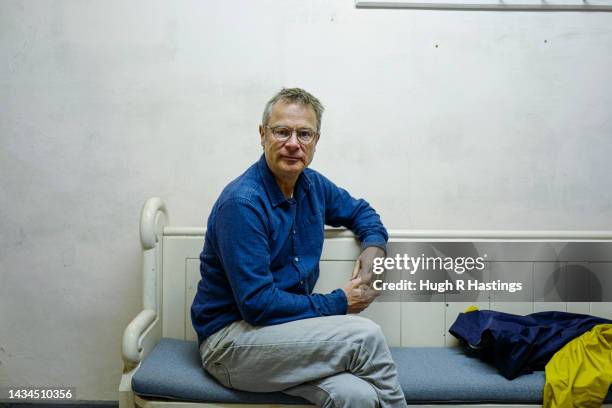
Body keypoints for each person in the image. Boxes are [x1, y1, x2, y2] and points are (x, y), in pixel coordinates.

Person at [191, 88, 408, 408]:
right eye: (282, 131)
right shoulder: (243, 203)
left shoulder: (313, 185)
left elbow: (362, 213)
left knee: (356, 397)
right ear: (262, 134)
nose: (293, 143)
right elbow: (258, 305)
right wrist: (341, 301)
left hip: (285, 335)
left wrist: (374, 248)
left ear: (316, 141)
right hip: (231, 345)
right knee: (365, 336)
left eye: (304, 134)